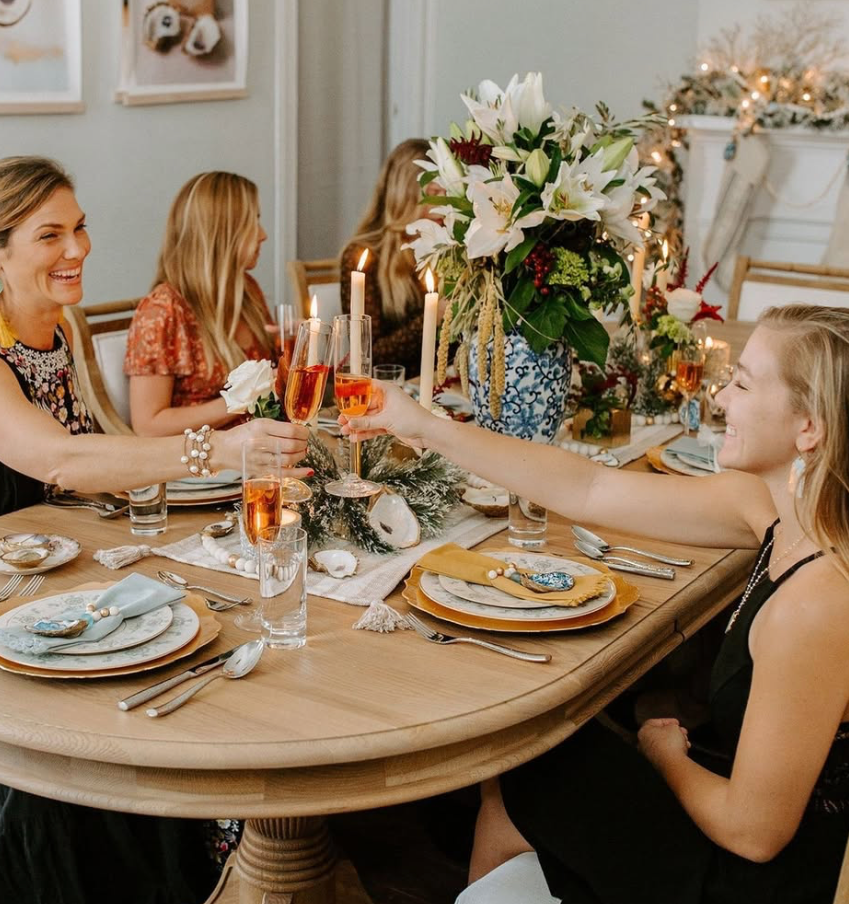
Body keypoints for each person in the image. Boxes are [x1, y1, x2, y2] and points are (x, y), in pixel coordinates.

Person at [0, 156, 307, 904]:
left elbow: (92, 466)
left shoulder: (54, 340)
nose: (78, 249)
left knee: (210, 651)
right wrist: (219, 448)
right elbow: (63, 461)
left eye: (79, 228)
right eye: (50, 235)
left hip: (65, 608)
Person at [343, 305, 849, 904]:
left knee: (538, 765)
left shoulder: (818, 598)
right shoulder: (774, 513)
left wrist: (663, 757)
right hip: (733, 809)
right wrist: (422, 425)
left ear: (808, 429)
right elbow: (588, 488)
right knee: (528, 768)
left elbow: (754, 833)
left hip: (752, 881)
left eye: (741, 383)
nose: (721, 398)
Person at [126, 171, 274, 437]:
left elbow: (273, 379)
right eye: (254, 221)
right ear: (222, 231)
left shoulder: (247, 290)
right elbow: (149, 425)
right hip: (202, 468)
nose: (263, 235)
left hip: (260, 450)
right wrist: (237, 402)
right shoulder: (163, 311)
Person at [340, 138, 433, 378]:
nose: (442, 207)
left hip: (442, 389)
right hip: (390, 392)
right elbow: (371, 355)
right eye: (433, 195)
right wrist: (436, 315)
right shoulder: (363, 257)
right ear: (405, 195)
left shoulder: (443, 248)